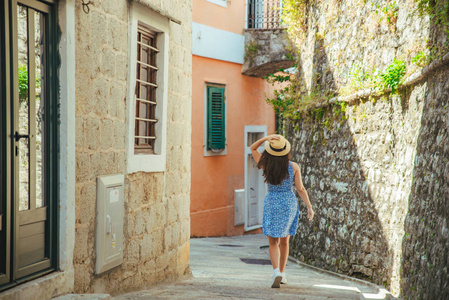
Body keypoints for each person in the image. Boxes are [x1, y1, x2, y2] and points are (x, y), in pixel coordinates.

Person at [250, 134, 314, 288]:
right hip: (288, 203)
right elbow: (300, 188)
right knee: (285, 240)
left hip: (272, 201)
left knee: (273, 242)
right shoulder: (294, 166)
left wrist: (266, 139)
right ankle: (283, 274)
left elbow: (252, 148)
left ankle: (276, 271)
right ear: (286, 151)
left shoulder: (266, 164)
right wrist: (309, 206)